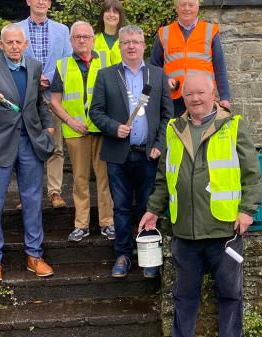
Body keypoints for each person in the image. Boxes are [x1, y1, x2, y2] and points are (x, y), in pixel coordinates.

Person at [139, 73, 262, 337]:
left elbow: (252, 174)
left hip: (223, 229)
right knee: (183, 297)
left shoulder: (233, 126)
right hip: (184, 230)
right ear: (182, 98)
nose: (195, 99)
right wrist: (153, 210)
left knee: (230, 295)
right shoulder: (174, 130)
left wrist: (247, 210)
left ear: (214, 93)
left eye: (201, 93)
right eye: (189, 94)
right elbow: (164, 179)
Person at [0, 23, 56, 282]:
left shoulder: (34, 67)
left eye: (19, 42)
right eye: (9, 42)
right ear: (1, 44)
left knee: (32, 201)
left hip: (30, 142)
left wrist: (49, 127)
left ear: (26, 44)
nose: (15, 46)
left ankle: (34, 256)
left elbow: (38, 102)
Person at [89, 25, 173, 279]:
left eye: (136, 41)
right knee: (122, 208)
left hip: (150, 155)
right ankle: (123, 254)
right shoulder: (106, 75)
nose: (131, 46)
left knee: (149, 206)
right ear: (120, 46)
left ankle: (149, 256)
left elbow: (167, 115)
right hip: (118, 154)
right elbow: (95, 112)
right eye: (126, 42)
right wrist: (114, 128)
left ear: (144, 45)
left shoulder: (157, 75)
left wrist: (159, 144)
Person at [49, 21, 115, 242]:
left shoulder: (106, 62)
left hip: (102, 130)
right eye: (77, 37)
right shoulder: (63, 65)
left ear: (93, 39)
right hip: (76, 131)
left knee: (104, 178)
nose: (82, 40)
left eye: (86, 36)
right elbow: (55, 102)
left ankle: (107, 223)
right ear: (71, 40)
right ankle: (81, 225)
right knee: (79, 179)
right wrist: (70, 120)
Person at [18, 0, 72, 209]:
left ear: (49, 3)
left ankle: (54, 192)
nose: (41, 1)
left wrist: (48, 77)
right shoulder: (17, 30)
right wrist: (33, 78)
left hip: (53, 95)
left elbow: (68, 59)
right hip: (25, 96)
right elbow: (11, 59)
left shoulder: (62, 30)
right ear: (28, 1)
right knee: (27, 147)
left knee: (55, 145)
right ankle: (28, 194)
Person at [150, 0, 231, 117]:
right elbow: (154, 67)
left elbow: (220, 67)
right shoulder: (164, 33)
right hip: (175, 98)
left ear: (197, 8)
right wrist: (165, 80)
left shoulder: (210, 31)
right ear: (176, 8)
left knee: (204, 133)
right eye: (182, 5)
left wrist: (225, 97)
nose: (187, 8)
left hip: (203, 97)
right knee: (176, 133)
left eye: (191, 5)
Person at [94, 0, 125, 66]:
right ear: (102, 15)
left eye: (115, 12)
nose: (111, 15)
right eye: (108, 11)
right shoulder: (93, 40)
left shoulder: (127, 40)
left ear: (120, 16)